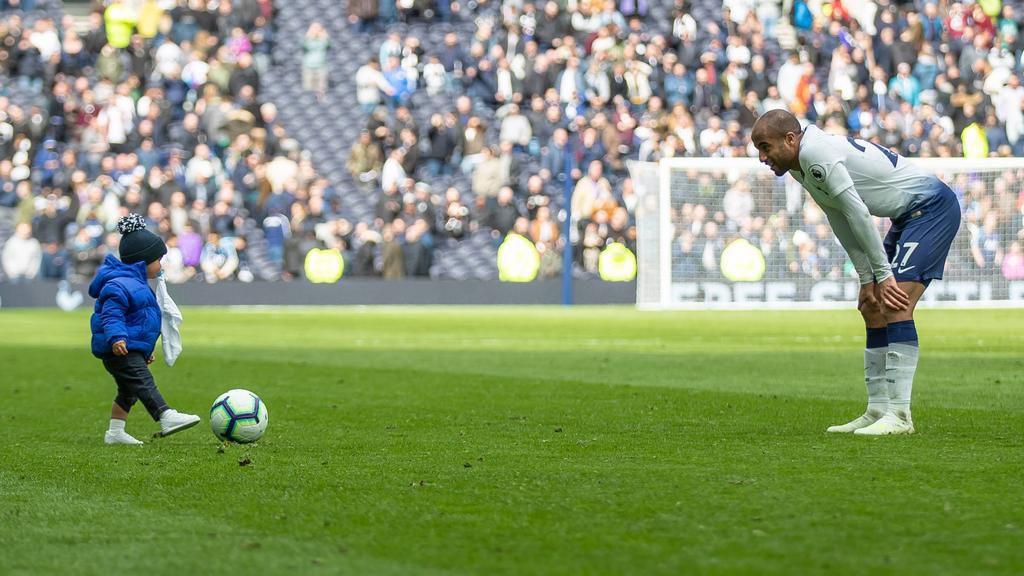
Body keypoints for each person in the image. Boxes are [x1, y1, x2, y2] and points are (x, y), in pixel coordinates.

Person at [751, 109, 962, 436]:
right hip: (905, 217)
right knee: (872, 306)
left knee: (895, 303)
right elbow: (839, 218)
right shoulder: (800, 165)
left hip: (931, 209)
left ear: (790, 139)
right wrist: (868, 279)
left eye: (765, 147)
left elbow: (860, 215)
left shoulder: (815, 153)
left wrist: (883, 275)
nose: (762, 157)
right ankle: (878, 408)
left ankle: (900, 416)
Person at [89, 214, 200, 445]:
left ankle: (115, 432)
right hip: (118, 348)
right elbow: (112, 315)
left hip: (130, 348)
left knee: (128, 391)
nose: (162, 265)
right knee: (143, 382)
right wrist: (117, 338)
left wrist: (143, 349)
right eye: (158, 259)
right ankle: (165, 415)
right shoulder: (119, 284)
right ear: (143, 261)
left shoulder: (137, 284)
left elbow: (140, 321)